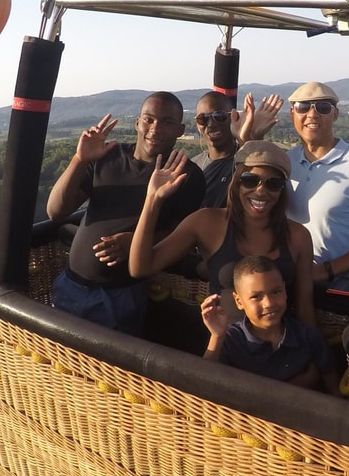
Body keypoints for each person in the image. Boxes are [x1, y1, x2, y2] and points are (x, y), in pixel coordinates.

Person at [46, 91, 205, 335]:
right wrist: (79, 160)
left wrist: (136, 241)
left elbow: (182, 235)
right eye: (149, 119)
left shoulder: (185, 176)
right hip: (70, 283)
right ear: (137, 123)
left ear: (180, 130)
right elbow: (56, 211)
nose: (155, 128)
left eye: (167, 122)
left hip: (119, 296)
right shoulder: (108, 156)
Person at [129, 140, 316, 326]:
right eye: (250, 180)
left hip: (281, 347)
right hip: (225, 345)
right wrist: (153, 200)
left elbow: (304, 307)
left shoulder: (297, 236)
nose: (260, 190)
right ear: (236, 181)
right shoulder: (207, 223)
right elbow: (140, 268)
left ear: (282, 191)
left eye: (273, 184)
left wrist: (314, 352)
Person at [284, 82, 349, 284]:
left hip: (348, 289)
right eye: (303, 107)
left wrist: (325, 271)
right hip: (294, 285)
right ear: (292, 114)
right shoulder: (286, 162)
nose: (312, 114)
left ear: (335, 114)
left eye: (323, 108)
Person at [199, 255, 337, 392]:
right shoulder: (230, 340)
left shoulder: (308, 336)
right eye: (256, 297)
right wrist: (216, 336)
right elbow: (203, 385)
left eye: (276, 292)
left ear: (284, 290)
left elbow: (333, 389)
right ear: (239, 301)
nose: (269, 303)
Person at [193, 91, 283, 208]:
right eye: (202, 118)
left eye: (219, 116)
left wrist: (253, 136)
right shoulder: (194, 166)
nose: (211, 124)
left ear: (234, 117)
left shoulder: (247, 159)